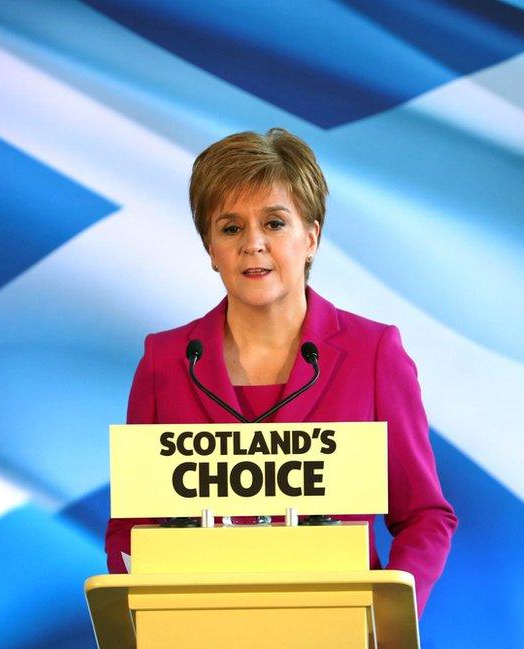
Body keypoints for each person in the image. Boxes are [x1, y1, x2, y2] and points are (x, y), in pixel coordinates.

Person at [105, 128, 457, 616]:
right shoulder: (164, 361)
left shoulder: (374, 353)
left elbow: (423, 515)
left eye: (274, 223)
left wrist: (388, 620)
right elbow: (132, 529)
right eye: (230, 228)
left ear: (311, 237)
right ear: (210, 248)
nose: (253, 244)